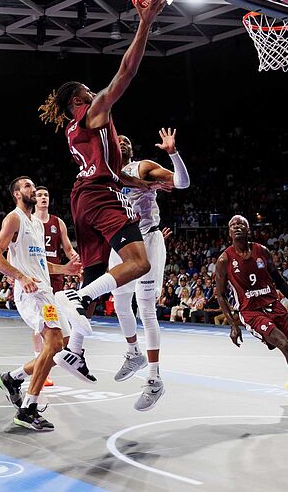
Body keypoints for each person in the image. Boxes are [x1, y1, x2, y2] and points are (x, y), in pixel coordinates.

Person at [37, 0, 168, 381]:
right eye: (88, 91)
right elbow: (126, 72)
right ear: (79, 100)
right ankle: (76, 297)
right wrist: (145, 23)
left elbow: (110, 169)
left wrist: (143, 182)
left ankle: (75, 351)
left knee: (95, 277)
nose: (95, 93)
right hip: (98, 196)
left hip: (83, 197)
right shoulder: (92, 113)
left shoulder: (72, 130)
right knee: (139, 263)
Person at [215, 215, 288, 424]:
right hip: (252, 312)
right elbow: (220, 295)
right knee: (285, 345)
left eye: (241, 223)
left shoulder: (262, 251)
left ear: (248, 229)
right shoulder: (224, 260)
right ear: (229, 232)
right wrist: (233, 325)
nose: (237, 226)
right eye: (233, 224)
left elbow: (279, 281)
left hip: (275, 306)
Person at [0, 176, 82, 431]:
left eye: (33, 185)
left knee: (61, 347)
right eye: (27, 186)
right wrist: (20, 276)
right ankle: (28, 409)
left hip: (46, 293)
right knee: (52, 343)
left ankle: (13, 378)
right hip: (31, 294)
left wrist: (65, 269)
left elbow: (41, 262)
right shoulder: (14, 218)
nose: (33, 189)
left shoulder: (37, 225)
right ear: (17, 194)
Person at [108, 128, 190, 411]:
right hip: (121, 242)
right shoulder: (106, 175)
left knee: (145, 308)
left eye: (127, 140)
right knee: (119, 301)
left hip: (148, 239)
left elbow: (182, 183)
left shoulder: (141, 167)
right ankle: (134, 353)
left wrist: (173, 154)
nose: (123, 142)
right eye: (118, 140)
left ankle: (154, 379)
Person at [33, 185, 78, 387]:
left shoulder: (57, 222)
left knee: (58, 326)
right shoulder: (28, 221)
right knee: (42, 324)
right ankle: (38, 365)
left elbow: (68, 248)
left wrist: (76, 259)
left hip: (56, 277)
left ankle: (42, 364)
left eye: (46, 195)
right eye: (39, 195)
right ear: (34, 199)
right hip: (38, 278)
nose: (43, 198)